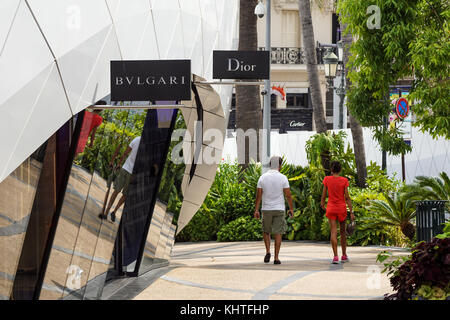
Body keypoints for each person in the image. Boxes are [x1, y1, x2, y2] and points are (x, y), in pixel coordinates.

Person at [254, 156, 294, 265]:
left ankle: (268, 251)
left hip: (266, 209)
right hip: (279, 209)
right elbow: (288, 195)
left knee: (266, 231)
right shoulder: (283, 178)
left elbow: (258, 196)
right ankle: (276, 258)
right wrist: (291, 208)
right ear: (279, 166)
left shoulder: (262, 178)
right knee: (278, 233)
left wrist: (256, 210)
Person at [99, 136, 141, 222]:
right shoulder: (146, 145)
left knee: (117, 191)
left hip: (126, 169)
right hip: (131, 173)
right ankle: (113, 211)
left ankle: (108, 212)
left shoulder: (137, 139)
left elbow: (126, 152)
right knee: (124, 194)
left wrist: (119, 163)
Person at [320, 161, 355, 264]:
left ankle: (335, 257)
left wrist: (322, 204)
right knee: (343, 232)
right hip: (341, 209)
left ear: (331, 169)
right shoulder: (344, 181)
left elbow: (323, 195)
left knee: (333, 232)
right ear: (340, 170)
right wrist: (351, 211)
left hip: (331, 208)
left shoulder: (327, 179)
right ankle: (344, 255)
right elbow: (347, 198)